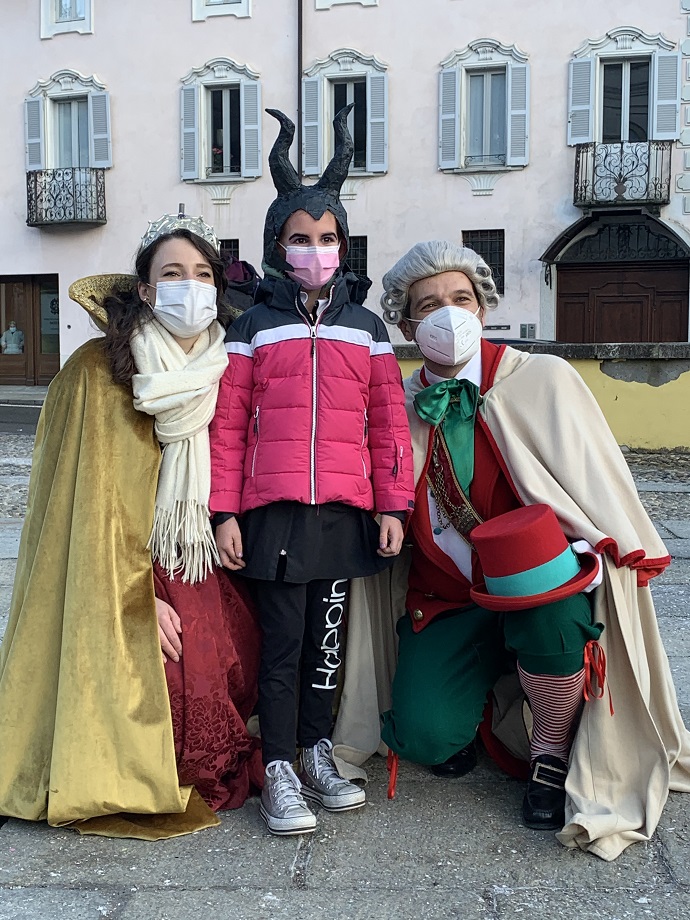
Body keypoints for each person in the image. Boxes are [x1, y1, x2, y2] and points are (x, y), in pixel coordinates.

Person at [332, 240, 690, 862]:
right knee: (423, 738)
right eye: (428, 305)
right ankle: (478, 707)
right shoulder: (393, 401)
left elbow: (594, 484)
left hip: (539, 592)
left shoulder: (542, 378)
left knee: (554, 620)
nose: (448, 314)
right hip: (446, 597)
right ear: (406, 324)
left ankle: (550, 755)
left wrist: (594, 549)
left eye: (461, 299)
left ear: (483, 307)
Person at [0, 213, 262, 839]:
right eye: (172, 273)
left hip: (199, 553)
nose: (189, 285)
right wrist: (137, 596)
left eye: (202, 273)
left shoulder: (229, 365)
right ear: (145, 289)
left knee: (227, 665)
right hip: (114, 564)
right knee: (164, 676)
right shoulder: (96, 369)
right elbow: (86, 506)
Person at [209, 107, 415, 836]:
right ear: (277, 245)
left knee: (327, 642)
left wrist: (393, 506)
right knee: (283, 644)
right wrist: (224, 513)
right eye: (300, 238)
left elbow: (389, 425)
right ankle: (278, 767)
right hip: (271, 514)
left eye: (327, 239)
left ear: (344, 246)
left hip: (343, 512)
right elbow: (228, 427)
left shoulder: (368, 329)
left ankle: (319, 751)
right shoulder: (252, 327)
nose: (315, 250)